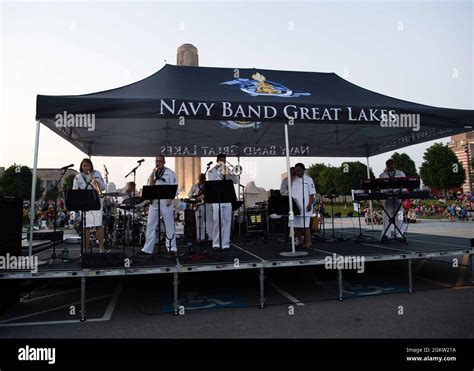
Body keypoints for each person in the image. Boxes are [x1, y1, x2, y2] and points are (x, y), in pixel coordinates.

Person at [140, 155, 178, 256]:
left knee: (169, 225)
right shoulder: (152, 173)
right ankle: (147, 249)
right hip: (154, 202)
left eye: (160, 161)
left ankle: (171, 248)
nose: (158, 163)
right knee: (151, 225)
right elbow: (149, 187)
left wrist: (171, 199)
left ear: (164, 162)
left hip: (166, 202)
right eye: (157, 161)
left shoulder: (170, 173)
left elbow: (175, 187)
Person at [73, 158, 106, 252]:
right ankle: (86, 249)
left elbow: (103, 188)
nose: (86, 167)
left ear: (91, 166)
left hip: (96, 200)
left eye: (88, 165)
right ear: (81, 166)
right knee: (86, 226)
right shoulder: (77, 177)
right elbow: (75, 190)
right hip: (84, 201)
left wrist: (97, 182)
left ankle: (101, 248)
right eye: (84, 165)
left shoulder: (97, 174)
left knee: (98, 225)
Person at [207, 154, 238, 251]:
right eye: (220, 160)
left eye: (224, 160)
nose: (222, 161)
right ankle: (216, 243)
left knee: (227, 221)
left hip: (227, 198)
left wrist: (227, 174)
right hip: (217, 199)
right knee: (217, 221)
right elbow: (212, 181)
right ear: (217, 160)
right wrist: (221, 174)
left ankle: (225, 244)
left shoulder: (228, 170)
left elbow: (235, 180)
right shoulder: (211, 170)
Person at [379, 159, 405, 239]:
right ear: (386, 165)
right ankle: (386, 234)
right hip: (388, 197)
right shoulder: (382, 175)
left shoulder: (401, 173)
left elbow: (405, 184)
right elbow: (381, 188)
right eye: (388, 165)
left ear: (394, 165)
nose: (390, 166)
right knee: (386, 216)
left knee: (399, 215)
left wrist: (402, 192)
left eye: (391, 164)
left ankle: (400, 234)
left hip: (398, 197)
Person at [292, 163, 316, 248]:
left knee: (305, 226)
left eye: (298, 170)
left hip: (305, 206)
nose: (297, 172)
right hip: (295, 206)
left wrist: (310, 204)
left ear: (303, 170)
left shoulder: (309, 179)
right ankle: (300, 240)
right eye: (296, 170)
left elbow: (312, 193)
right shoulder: (293, 180)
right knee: (295, 225)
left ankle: (308, 242)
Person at [189, 173, 213, 241]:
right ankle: (200, 238)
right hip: (198, 205)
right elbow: (189, 194)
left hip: (207, 204)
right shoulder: (195, 186)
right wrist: (195, 198)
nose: (201, 180)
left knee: (210, 222)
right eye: (200, 178)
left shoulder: (208, 186)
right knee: (199, 223)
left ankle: (211, 238)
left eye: (202, 178)